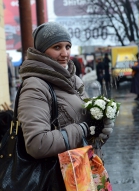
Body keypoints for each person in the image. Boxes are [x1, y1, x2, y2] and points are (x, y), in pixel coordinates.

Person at [17, 22, 114, 186]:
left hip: (82, 173)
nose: (65, 53)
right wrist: (84, 128)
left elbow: (85, 130)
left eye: (68, 46)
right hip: (57, 179)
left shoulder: (73, 80)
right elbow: (37, 144)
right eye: (57, 47)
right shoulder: (36, 86)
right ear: (42, 51)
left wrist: (101, 127)